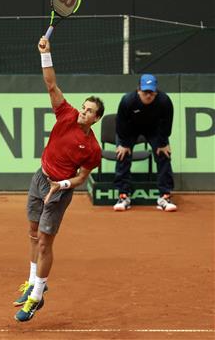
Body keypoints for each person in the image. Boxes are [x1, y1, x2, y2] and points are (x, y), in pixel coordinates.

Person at [14, 36, 105, 322]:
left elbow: (82, 178)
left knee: (44, 242)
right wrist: (46, 53)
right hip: (39, 178)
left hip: (58, 191)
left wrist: (62, 185)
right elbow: (51, 84)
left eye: (90, 111)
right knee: (31, 232)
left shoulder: (93, 149)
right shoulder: (66, 114)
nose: (84, 111)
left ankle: (36, 296)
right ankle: (32, 280)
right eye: (84, 106)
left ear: (96, 119)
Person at [113, 74, 177, 212]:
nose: (148, 96)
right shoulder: (127, 101)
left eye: (151, 92)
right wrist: (123, 144)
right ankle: (123, 196)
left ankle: (164, 196)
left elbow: (167, 124)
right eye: (145, 92)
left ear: (156, 91)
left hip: (154, 130)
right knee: (122, 154)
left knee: (163, 154)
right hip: (130, 129)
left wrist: (163, 142)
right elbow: (120, 124)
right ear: (138, 90)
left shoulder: (164, 101)